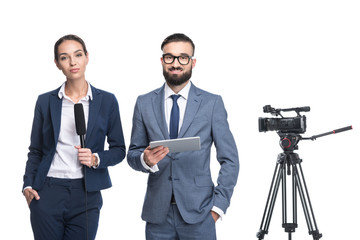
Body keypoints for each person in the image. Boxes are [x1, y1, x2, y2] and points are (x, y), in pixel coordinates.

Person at [127, 33, 239, 239]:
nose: (176, 63)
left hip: (200, 214)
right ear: (162, 61)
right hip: (157, 216)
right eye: (169, 57)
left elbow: (230, 160)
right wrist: (144, 160)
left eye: (183, 58)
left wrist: (218, 208)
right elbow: (132, 154)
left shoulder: (211, 103)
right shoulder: (143, 103)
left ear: (192, 62)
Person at [22, 34, 126, 240]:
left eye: (78, 55)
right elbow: (35, 150)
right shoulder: (45, 101)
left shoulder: (107, 100)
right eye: (64, 57)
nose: (72, 62)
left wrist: (96, 158)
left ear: (87, 57)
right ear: (57, 63)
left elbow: (119, 150)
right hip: (48, 190)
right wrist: (27, 185)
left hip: (86, 192)